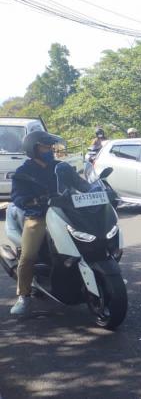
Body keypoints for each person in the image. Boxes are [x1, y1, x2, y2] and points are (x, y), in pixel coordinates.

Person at [9, 131, 60, 315]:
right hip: (38, 216)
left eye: (50, 146)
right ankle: (24, 295)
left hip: (64, 213)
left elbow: (79, 183)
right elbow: (17, 196)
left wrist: (94, 188)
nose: (50, 150)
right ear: (34, 149)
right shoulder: (24, 172)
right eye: (46, 146)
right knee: (29, 255)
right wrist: (32, 201)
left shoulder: (59, 167)